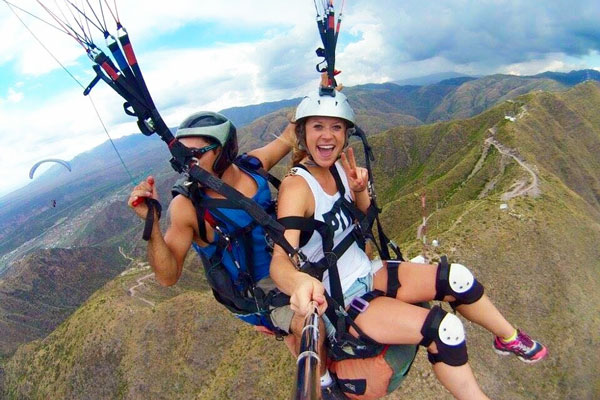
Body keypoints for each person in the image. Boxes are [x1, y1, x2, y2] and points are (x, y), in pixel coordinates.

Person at [269, 89, 548, 400]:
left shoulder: (337, 166)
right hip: (340, 298)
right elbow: (281, 258)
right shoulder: (297, 186)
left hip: (367, 270)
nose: (327, 135)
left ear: (346, 134)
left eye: (336, 127)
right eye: (317, 126)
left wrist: (359, 189)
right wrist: (298, 282)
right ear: (303, 132)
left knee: (458, 279)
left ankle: (508, 338)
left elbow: (361, 218)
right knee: (445, 331)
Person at [128, 110, 301, 342]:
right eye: (182, 155)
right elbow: (167, 277)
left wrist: (323, 93)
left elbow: (290, 136)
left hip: (291, 265)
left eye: (195, 154)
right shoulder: (188, 207)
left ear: (223, 150)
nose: (187, 163)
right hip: (264, 297)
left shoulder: (251, 167)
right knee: (313, 324)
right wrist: (152, 225)